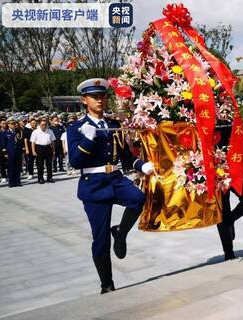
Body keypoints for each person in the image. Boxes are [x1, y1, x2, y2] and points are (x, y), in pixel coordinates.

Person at [67, 78, 155, 294]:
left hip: (115, 179)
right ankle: (107, 284)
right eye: (94, 97)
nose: (99, 100)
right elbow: (76, 162)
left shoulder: (113, 125)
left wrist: (141, 165)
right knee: (101, 240)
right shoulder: (77, 128)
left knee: (138, 199)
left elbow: (125, 157)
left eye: (102, 96)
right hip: (94, 186)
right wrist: (87, 140)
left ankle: (121, 232)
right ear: (84, 100)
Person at [214, 125, 243, 260]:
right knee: (223, 211)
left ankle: (230, 220)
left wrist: (240, 135)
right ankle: (229, 253)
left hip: (234, 172)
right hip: (216, 175)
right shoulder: (205, 121)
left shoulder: (231, 122)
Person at [0, 117, 24, 187]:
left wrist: (22, 151)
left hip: (18, 152)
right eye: (12, 124)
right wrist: (5, 153)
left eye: (14, 123)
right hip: (10, 153)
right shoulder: (5, 133)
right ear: (8, 124)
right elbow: (3, 144)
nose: (13, 125)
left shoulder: (18, 132)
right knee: (11, 167)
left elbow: (20, 142)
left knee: (18, 167)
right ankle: (11, 182)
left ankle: (18, 181)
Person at [30, 119, 56, 184]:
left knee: (49, 164)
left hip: (48, 148)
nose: (44, 126)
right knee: (40, 164)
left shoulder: (50, 131)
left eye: (45, 125)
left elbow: (53, 141)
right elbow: (32, 142)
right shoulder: (35, 132)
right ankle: (40, 178)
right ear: (39, 125)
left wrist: (53, 150)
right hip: (39, 148)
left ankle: (49, 177)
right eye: (42, 125)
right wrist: (33, 151)